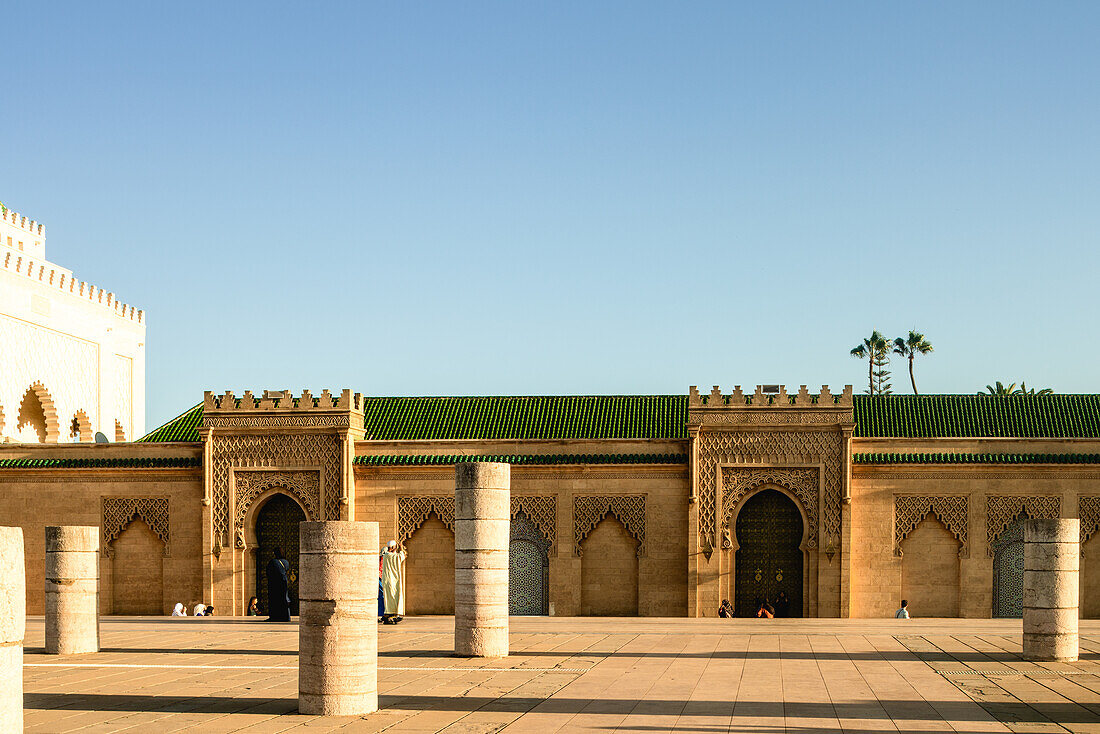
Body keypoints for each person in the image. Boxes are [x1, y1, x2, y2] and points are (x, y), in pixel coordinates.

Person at [381, 540, 406, 624]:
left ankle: (388, 614)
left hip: (387, 580)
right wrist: (401, 548)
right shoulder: (393, 556)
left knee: (389, 597)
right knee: (394, 596)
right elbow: (402, 556)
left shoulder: (386, 556)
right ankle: (391, 614)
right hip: (393, 580)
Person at [266, 547, 292, 622]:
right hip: (284, 582)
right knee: (284, 599)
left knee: (274, 600)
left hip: (274, 584)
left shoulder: (273, 562)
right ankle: (286, 617)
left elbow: (269, 572)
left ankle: (274, 617)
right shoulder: (286, 562)